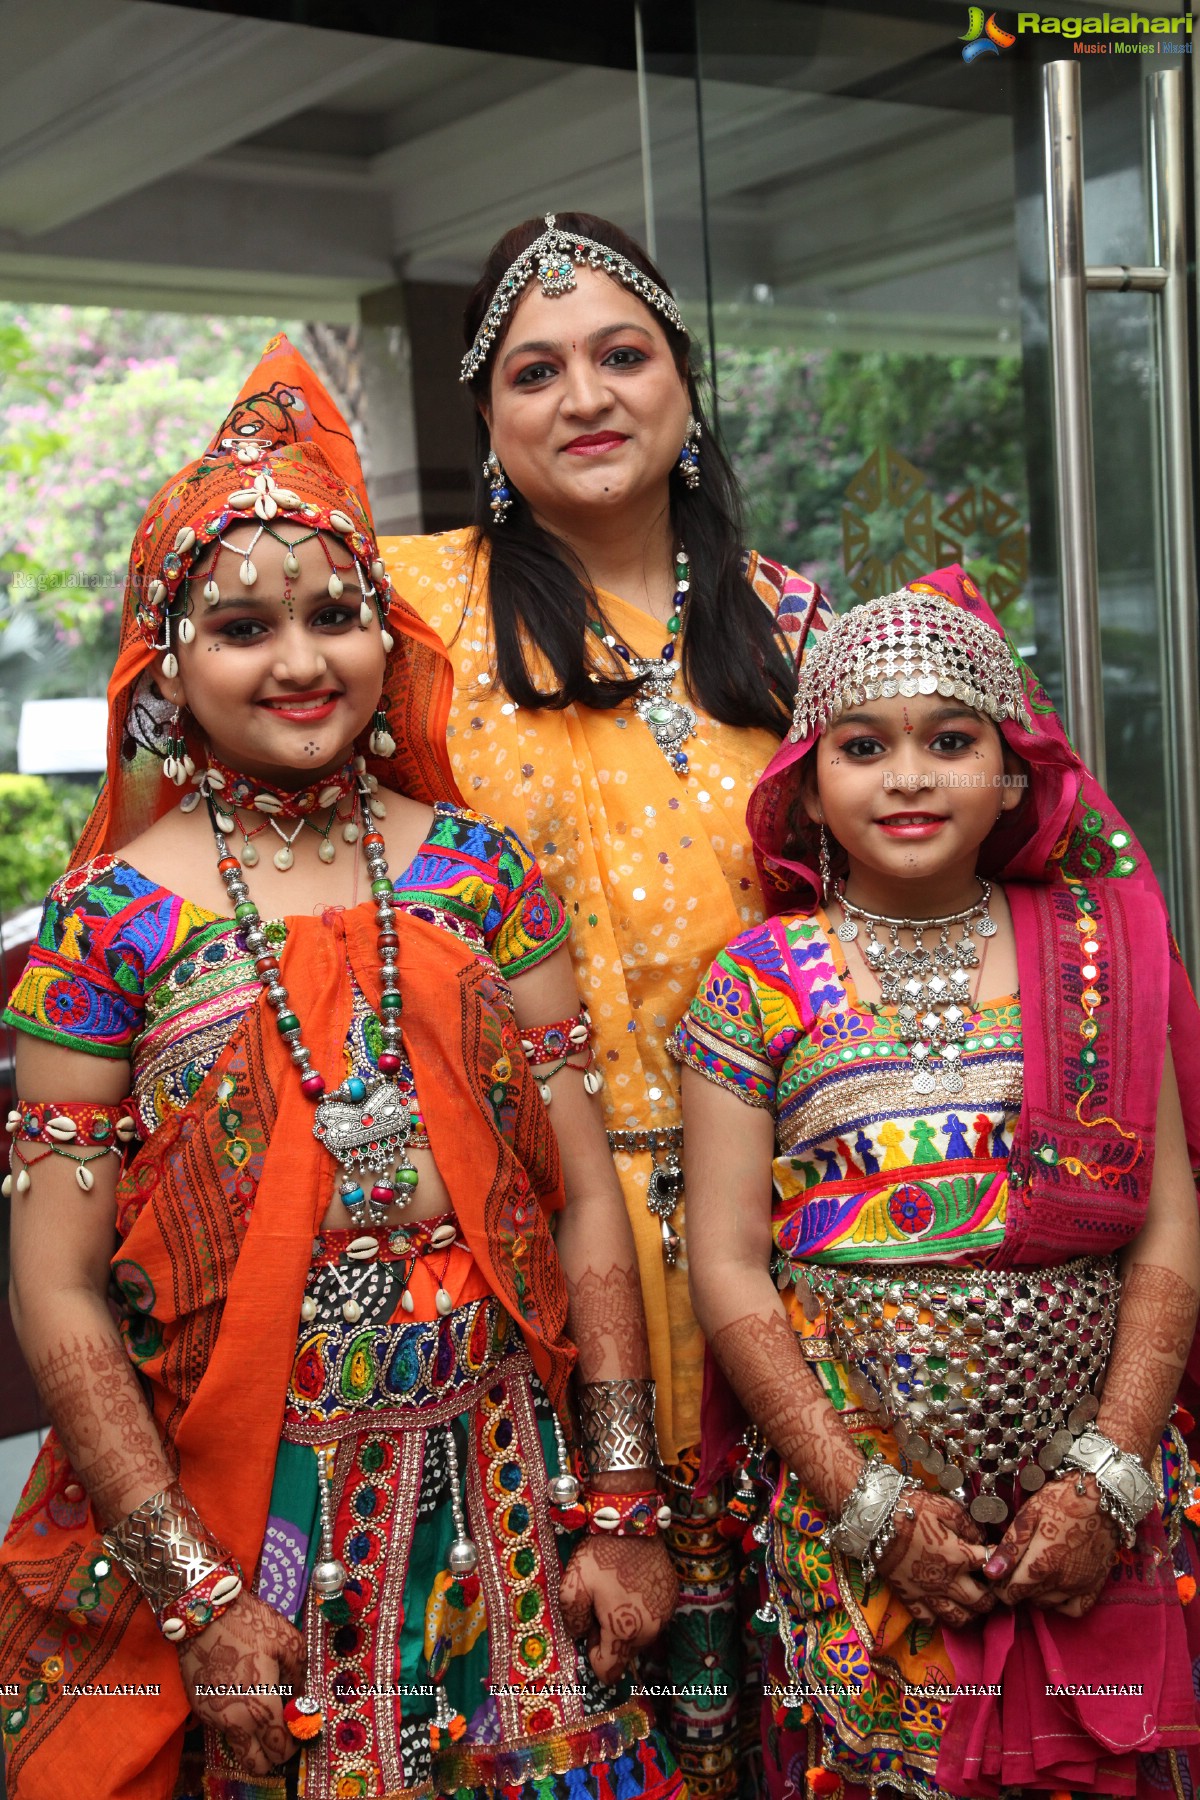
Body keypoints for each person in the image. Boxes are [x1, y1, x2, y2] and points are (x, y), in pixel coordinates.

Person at [0, 337, 684, 1800]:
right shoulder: (108, 926)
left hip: (509, 1475)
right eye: (242, 627)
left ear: (392, 637)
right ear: (164, 662)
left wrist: (621, 1501)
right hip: (248, 1509)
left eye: (335, 614)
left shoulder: (487, 879)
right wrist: (195, 1595)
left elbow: (579, 1210)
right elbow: (56, 1282)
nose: (301, 660)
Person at [381, 213, 830, 1799]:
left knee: (827, 1688)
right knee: (567, 1701)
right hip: (523, 1246)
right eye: (535, 369)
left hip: (793, 1237)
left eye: (623, 354)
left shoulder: (802, 632)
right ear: (486, 422)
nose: (586, 395)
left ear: (688, 390)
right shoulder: (403, 621)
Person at [676, 565, 1200, 1797]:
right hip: (859, 1511)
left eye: (950, 740)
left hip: (1095, 1500)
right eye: (863, 745)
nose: (908, 774)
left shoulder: (1098, 955)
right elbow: (727, 1261)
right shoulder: (755, 982)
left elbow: (1169, 1227)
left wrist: (1109, 1477)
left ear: (1014, 773)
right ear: (807, 783)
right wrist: (867, 1507)